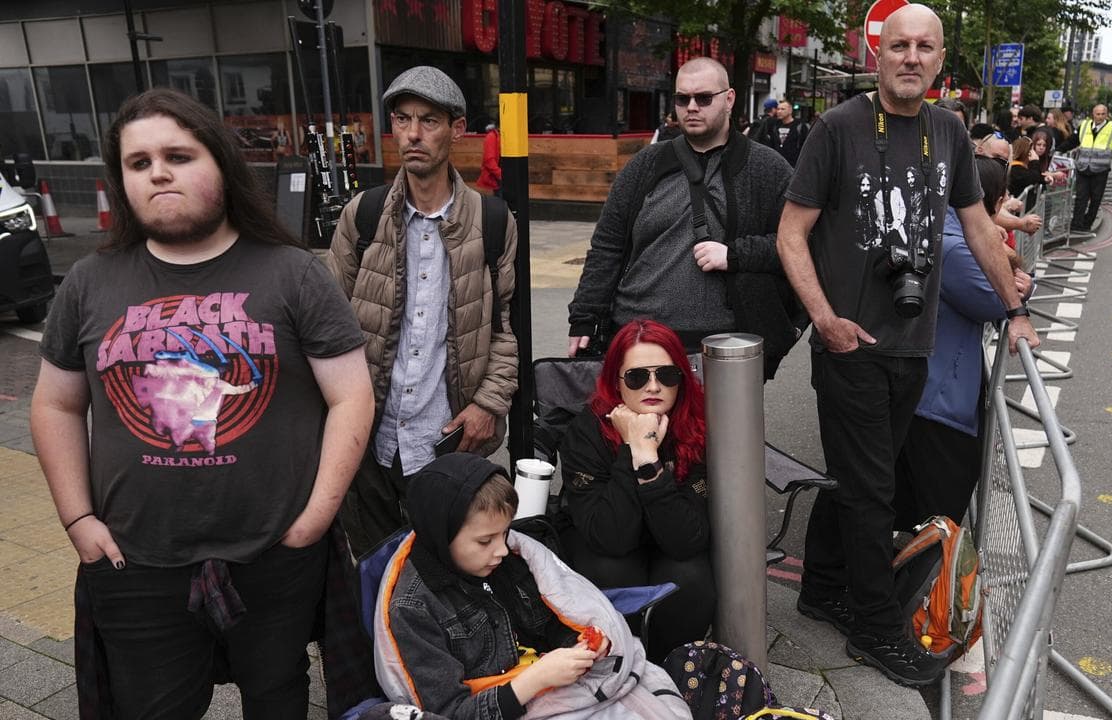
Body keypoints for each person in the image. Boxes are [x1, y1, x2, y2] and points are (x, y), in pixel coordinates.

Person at [30, 88, 374, 718]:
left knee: (277, 697)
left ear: (220, 163)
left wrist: (316, 519)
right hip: (134, 560)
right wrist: (79, 522)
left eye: (178, 155)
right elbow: (55, 405)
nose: (158, 171)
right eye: (139, 163)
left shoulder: (293, 272)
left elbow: (351, 395)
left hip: (276, 554)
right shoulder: (89, 282)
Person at [775, 4, 1039, 688]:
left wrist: (1014, 308)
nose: (911, 58)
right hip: (850, 345)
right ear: (877, 54)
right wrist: (825, 320)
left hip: (911, 348)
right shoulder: (837, 129)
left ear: (939, 59)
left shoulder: (948, 130)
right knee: (872, 494)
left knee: (865, 479)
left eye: (924, 47)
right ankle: (874, 627)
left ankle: (822, 586)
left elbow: (980, 230)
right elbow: (790, 234)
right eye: (899, 46)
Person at [328, 65, 518, 556]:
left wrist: (488, 405)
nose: (413, 134)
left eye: (429, 121)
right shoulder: (363, 215)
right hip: (370, 435)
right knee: (373, 570)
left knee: (446, 569)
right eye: (403, 120)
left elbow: (504, 327)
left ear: (456, 129)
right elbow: (325, 327)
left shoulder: (493, 221)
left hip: (449, 435)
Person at [374, 453, 690, 719]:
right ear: (442, 537)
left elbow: (549, 623)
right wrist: (533, 681)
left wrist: (581, 646)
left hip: (557, 685)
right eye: (485, 541)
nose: (501, 549)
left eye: (504, 533)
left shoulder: (507, 559)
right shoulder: (413, 609)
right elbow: (448, 711)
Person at [566, 57, 795, 369]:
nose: (691, 107)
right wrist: (585, 317)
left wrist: (736, 255)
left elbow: (798, 247)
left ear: (729, 99)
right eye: (682, 98)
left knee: (717, 421)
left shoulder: (766, 169)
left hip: (723, 345)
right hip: (637, 336)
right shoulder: (645, 165)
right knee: (639, 422)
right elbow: (608, 245)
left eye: (703, 98)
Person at [557, 319, 714, 661]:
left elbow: (687, 541)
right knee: (614, 569)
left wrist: (648, 461)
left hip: (670, 542)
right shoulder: (587, 432)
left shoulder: (697, 426)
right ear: (618, 381)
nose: (654, 387)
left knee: (690, 577)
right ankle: (619, 663)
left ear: (681, 380)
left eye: (667, 375)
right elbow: (609, 537)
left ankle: (669, 668)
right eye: (638, 377)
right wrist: (632, 449)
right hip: (607, 540)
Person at [894, 157, 1033, 530]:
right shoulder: (952, 243)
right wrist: (1022, 290)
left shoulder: (944, 228)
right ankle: (926, 584)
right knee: (937, 511)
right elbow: (993, 298)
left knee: (913, 504)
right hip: (938, 399)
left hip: (931, 390)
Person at [1069, 103, 1112, 239]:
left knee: (1095, 199)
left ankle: (1087, 224)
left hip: (1100, 170)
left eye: (1102, 114)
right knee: (1081, 197)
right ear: (1093, 114)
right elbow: (1073, 141)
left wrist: (1106, 157)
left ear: (1106, 114)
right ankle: (1076, 224)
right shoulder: (1084, 125)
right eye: (1097, 114)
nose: (1100, 116)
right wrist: (1059, 149)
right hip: (1083, 168)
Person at [763, 99, 810, 166]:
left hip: (794, 165)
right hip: (777, 165)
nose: (779, 111)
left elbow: (805, 147)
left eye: (782, 109)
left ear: (790, 111)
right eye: (778, 109)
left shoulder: (800, 126)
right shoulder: (774, 126)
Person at [1007, 137, 1047, 202]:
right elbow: (1033, 177)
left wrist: (1044, 179)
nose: (1033, 152)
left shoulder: (1024, 166)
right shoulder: (1016, 168)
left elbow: (1034, 175)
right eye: (1031, 150)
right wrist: (1035, 161)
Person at [477, 121, 503, 197]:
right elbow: (489, 161)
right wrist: (501, 175)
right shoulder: (492, 136)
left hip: (500, 180)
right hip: (494, 182)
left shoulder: (502, 136)